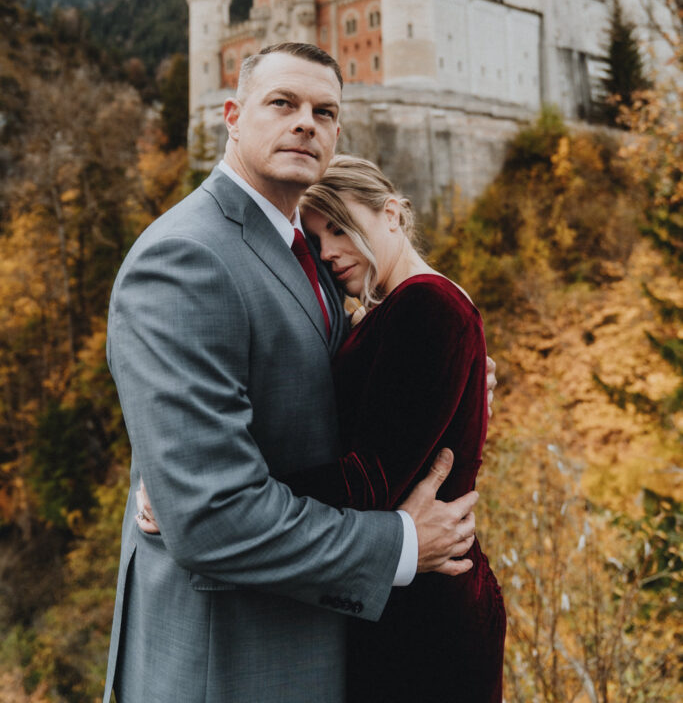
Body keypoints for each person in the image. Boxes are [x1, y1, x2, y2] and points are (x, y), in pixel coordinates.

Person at [104, 43, 482, 703]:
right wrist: (397, 545)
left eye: (324, 111)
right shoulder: (185, 257)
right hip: (228, 662)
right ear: (232, 115)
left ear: (338, 134)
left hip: (322, 641)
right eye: (282, 103)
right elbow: (212, 516)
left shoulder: (305, 253)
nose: (305, 122)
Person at [284, 154, 507, 702]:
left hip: (429, 616)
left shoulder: (427, 305)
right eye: (316, 240)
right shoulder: (397, 311)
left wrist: (228, 493)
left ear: (392, 213)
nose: (328, 251)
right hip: (403, 594)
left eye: (338, 225)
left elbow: (369, 482)